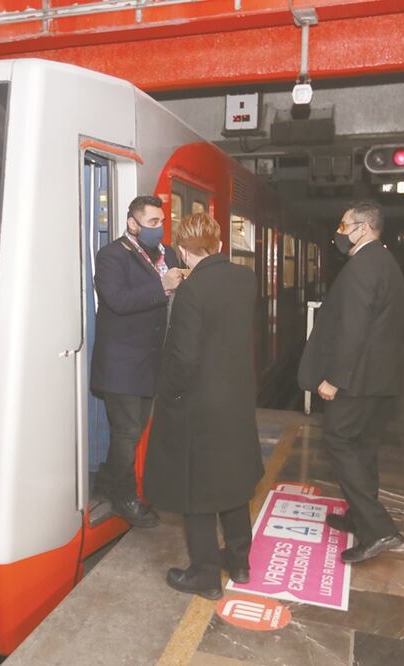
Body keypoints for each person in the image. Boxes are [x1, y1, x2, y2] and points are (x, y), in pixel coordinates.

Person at [144, 212, 263, 600]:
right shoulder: (244, 279)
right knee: (232, 480)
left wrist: (171, 395)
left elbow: (184, 358)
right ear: (219, 244)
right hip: (237, 399)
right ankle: (240, 562)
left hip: (199, 405)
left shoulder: (193, 290)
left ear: (182, 250)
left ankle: (206, 574)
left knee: (195, 488)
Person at [297, 201, 404, 564]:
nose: (340, 232)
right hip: (378, 377)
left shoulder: (363, 266)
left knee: (339, 440)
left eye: (344, 226)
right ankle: (359, 515)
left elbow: (353, 329)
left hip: (356, 379)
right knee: (362, 445)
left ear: (363, 227)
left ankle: (378, 529)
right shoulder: (385, 262)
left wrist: (334, 378)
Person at [91, 195, 184, 527]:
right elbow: (117, 301)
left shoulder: (167, 254)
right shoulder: (112, 256)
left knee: (135, 429)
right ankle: (124, 499)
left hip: (153, 362)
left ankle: (108, 479)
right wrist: (163, 286)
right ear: (132, 223)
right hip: (122, 363)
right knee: (127, 432)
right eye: (152, 223)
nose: (159, 229)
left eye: (161, 223)